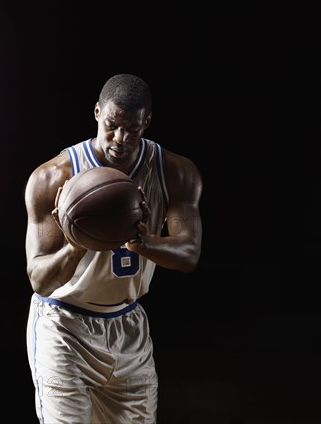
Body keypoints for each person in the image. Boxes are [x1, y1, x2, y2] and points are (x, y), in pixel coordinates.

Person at [24, 73, 203, 423]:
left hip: (127, 326)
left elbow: (189, 255)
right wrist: (75, 246)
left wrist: (141, 240)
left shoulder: (175, 172)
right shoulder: (51, 178)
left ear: (146, 122)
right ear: (96, 113)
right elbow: (39, 280)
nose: (120, 138)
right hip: (63, 327)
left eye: (132, 129)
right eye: (112, 125)